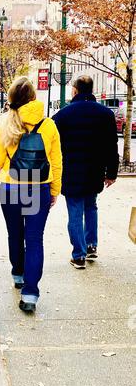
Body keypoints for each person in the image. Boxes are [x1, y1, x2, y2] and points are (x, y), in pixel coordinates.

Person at [0, 77, 63, 314]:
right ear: (32, 97)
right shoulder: (48, 125)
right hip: (38, 188)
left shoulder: (5, 123)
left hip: (10, 187)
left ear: (11, 98)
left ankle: (18, 273)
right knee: (35, 239)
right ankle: (30, 294)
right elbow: (57, 161)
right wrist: (55, 190)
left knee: (15, 235)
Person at [53, 76, 119, 270]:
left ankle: (79, 255)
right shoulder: (106, 114)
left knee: (75, 211)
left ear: (74, 90)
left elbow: (53, 146)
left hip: (71, 171)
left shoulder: (63, 115)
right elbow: (111, 146)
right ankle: (91, 245)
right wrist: (111, 173)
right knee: (91, 207)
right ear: (91, 89)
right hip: (94, 170)